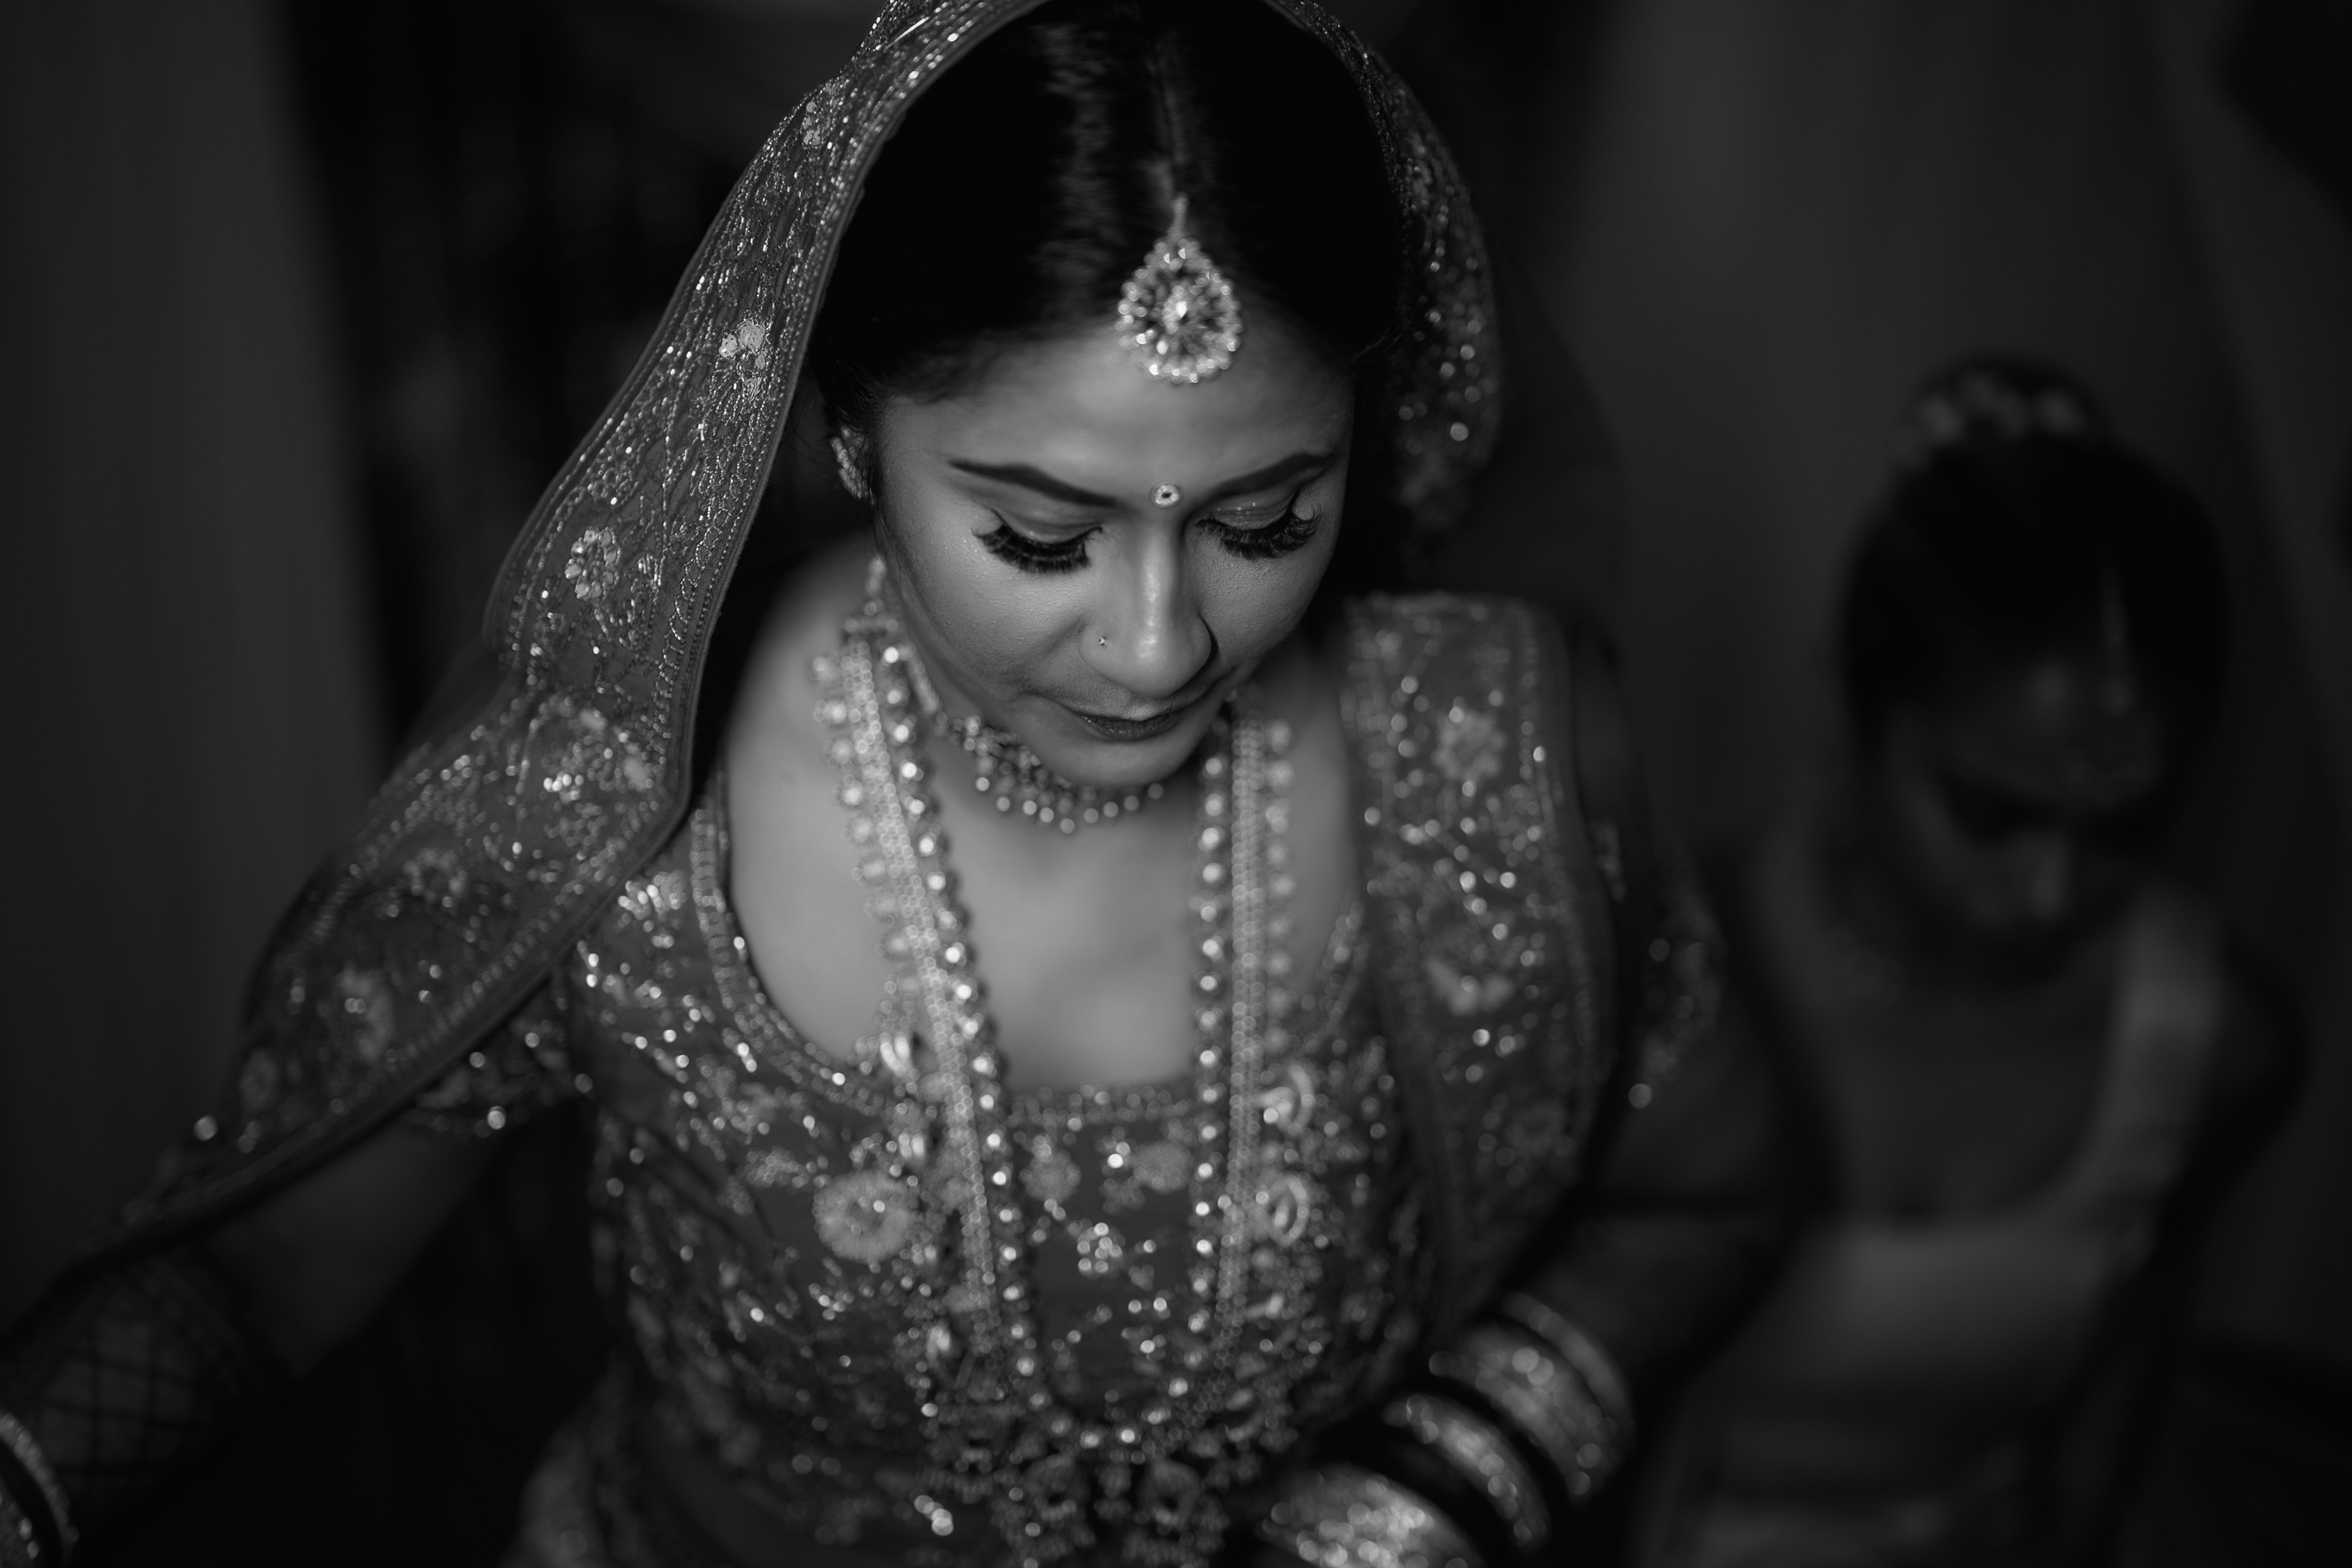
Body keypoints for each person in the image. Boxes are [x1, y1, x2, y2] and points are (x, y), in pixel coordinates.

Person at [0, 4, 1785, 1566]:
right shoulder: (628, 801)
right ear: (852, 430)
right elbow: (252, 1278)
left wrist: (1435, 1488)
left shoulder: (1481, 754)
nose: (1158, 643)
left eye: (1265, 521)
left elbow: (1712, 1188)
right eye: (1040, 535)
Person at [1633, 361, 2303, 1567]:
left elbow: (2111, 1421)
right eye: (1991, 815)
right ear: (1852, 712)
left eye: (2125, 831)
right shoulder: (1661, 988)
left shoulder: (2215, 1047)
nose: (2049, 893)